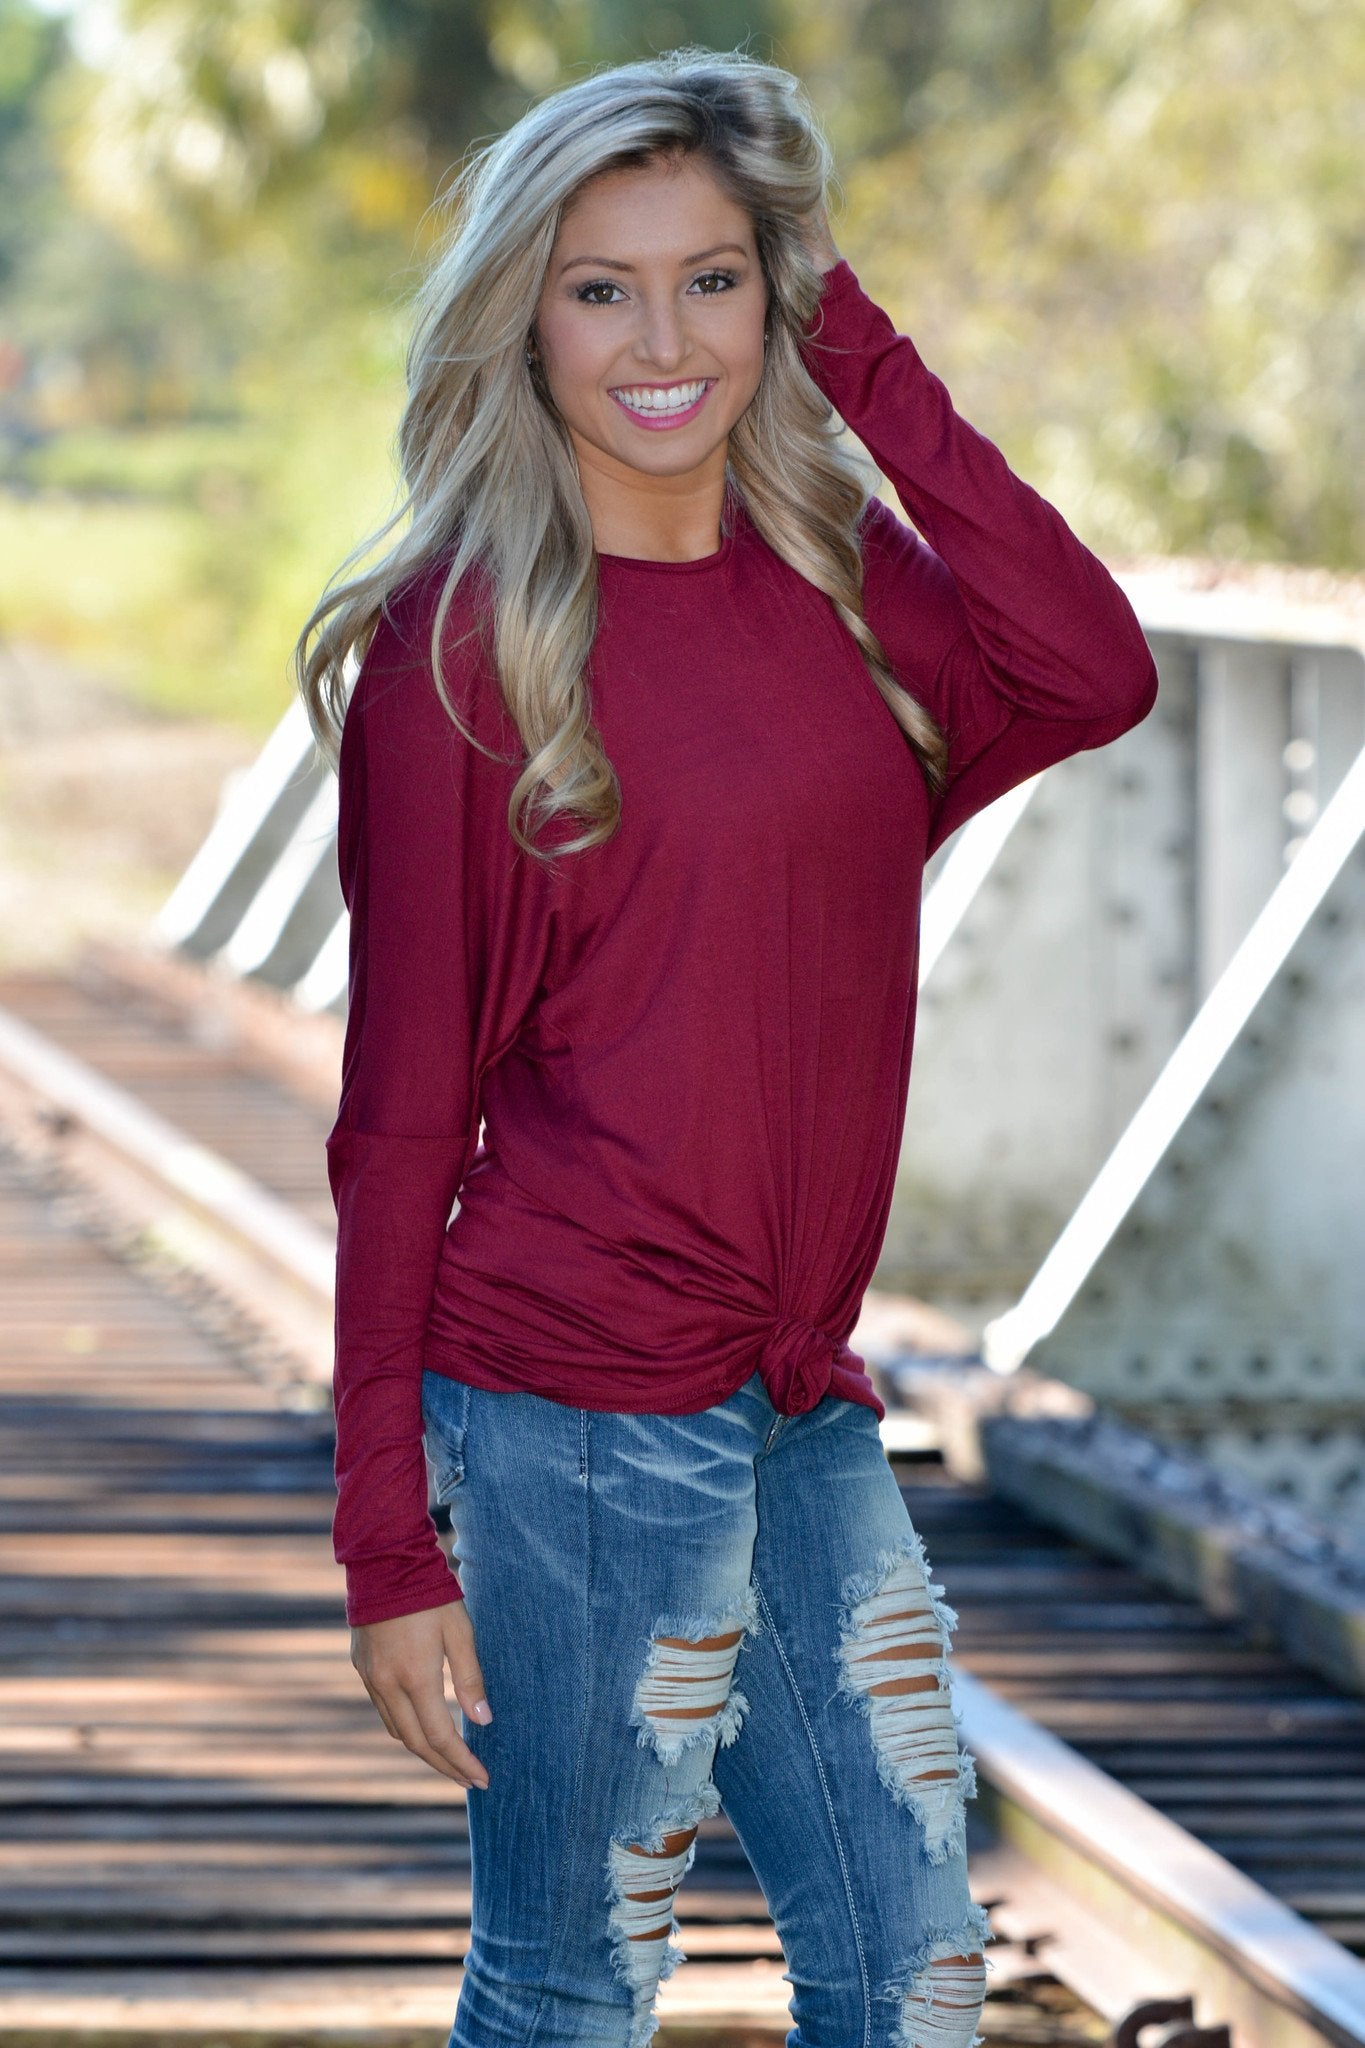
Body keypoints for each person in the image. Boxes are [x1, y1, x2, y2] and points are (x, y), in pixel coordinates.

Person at [293, 45, 1157, 2048]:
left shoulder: (850, 593)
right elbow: (396, 1120)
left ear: (775, 298)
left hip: (791, 1402)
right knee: (574, 1968)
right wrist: (381, 1539)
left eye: (715, 278)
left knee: (912, 1964)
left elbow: (1089, 669)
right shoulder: (463, 655)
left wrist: (850, 336)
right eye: (600, 285)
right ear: (524, 308)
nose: (661, 339)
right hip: (577, 1416)